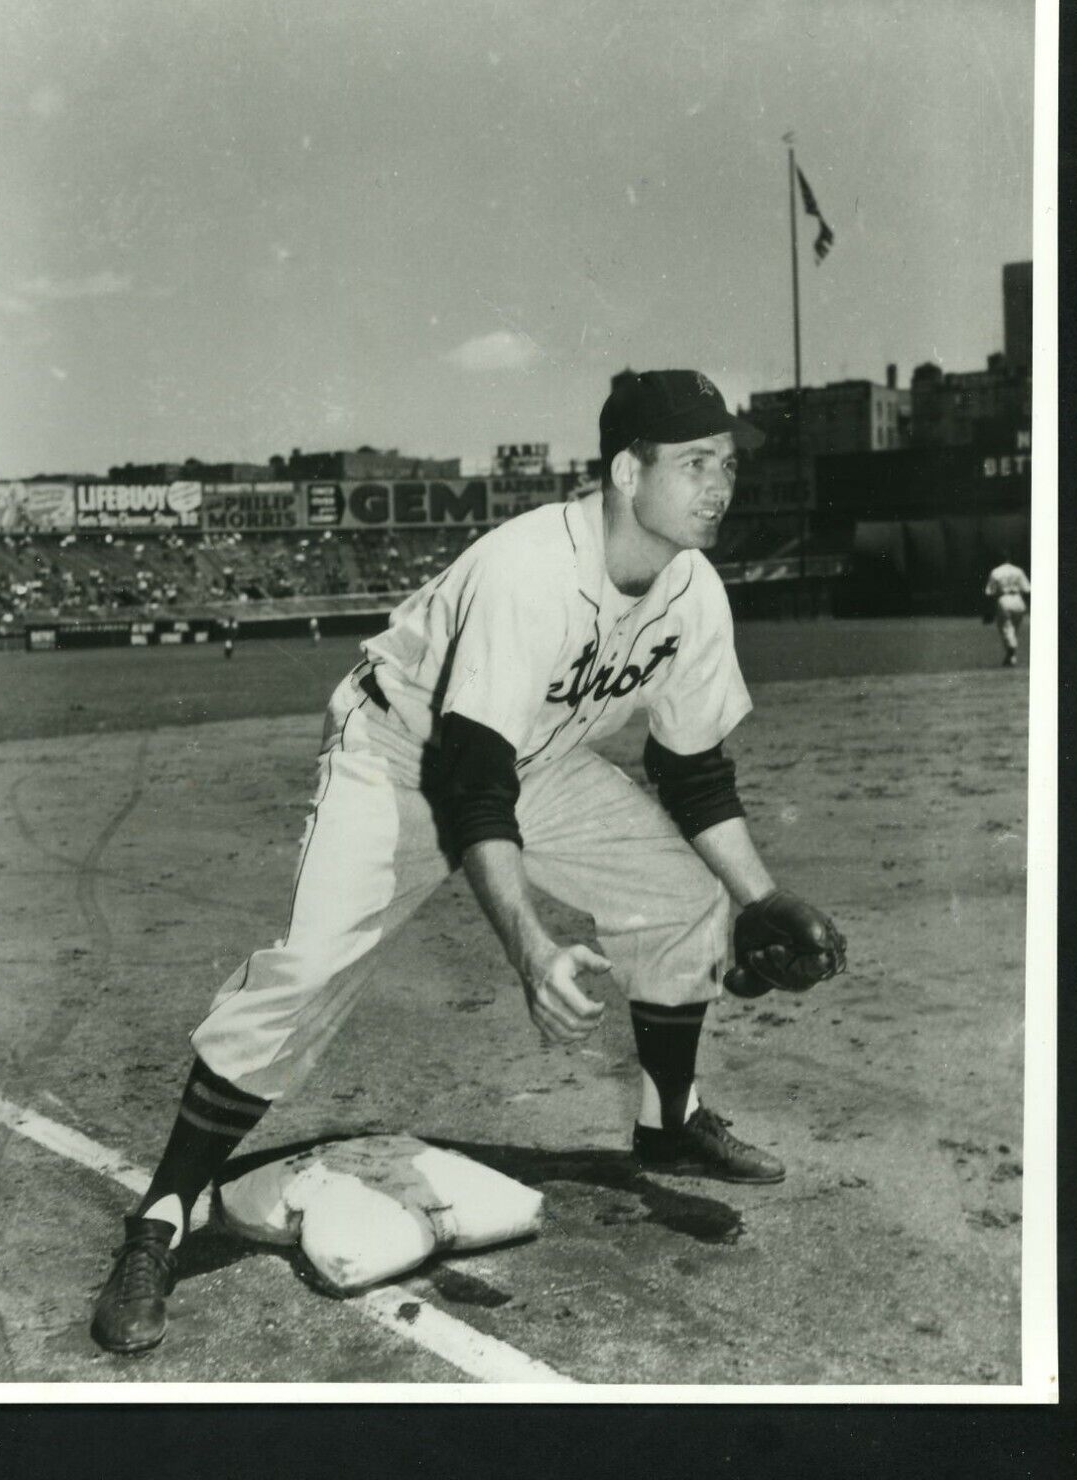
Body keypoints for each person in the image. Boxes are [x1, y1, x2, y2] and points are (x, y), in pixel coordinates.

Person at [90, 368, 847, 1355]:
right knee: (310, 969)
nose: (720, 484)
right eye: (695, 462)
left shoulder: (691, 589)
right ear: (627, 469)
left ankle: (669, 1120)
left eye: (727, 463)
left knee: (680, 897)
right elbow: (469, 781)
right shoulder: (528, 568)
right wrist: (531, 950)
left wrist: (758, 895)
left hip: (530, 757)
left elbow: (690, 768)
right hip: (400, 755)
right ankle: (160, 1221)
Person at [984, 559, 1031, 667]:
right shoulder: (1018, 570)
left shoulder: (996, 571)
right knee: (1014, 630)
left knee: (1006, 628)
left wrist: (988, 610)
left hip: (1004, 600)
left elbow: (989, 592)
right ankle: (1011, 658)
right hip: (1018, 600)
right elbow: (1027, 589)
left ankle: (1012, 648)